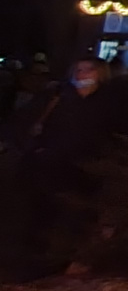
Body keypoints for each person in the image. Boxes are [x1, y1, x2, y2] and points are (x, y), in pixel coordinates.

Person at [8, 58, 119, 278]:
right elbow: (21, 122)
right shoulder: (55, 96)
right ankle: (36, 265)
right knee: (42, 216)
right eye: (78, 69)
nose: (82, 73)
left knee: (77, 215)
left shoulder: (110, 101)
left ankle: (65, 261)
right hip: (47, 166)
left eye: (89, 69)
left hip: (87, 170)